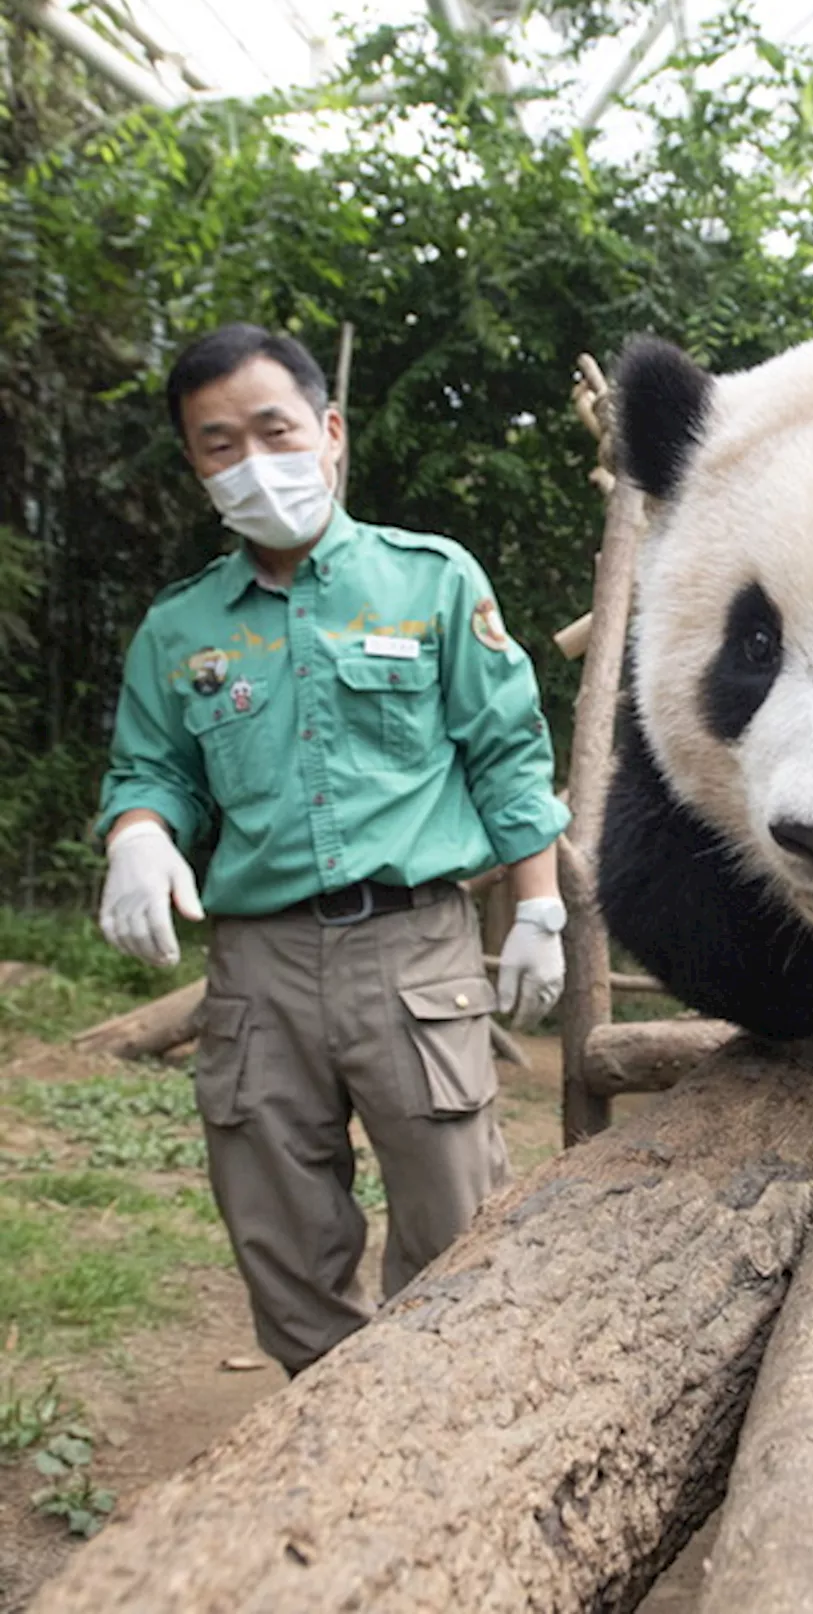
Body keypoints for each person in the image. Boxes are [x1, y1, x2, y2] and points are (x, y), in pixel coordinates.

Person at [96, 322, 569, 1376]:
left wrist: (537, 908)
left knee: (458, 1225)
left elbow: (504, 753)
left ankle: (443, 1423)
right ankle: (319, 1432)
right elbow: (152, 770)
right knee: (279, 1234)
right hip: (257, 967)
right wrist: (136, 835)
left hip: (414, 953)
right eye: (220, 443)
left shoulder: (431, 582)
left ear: (330, 431)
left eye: (274, 428)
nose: (254, 461)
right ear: (195, 463)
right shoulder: (181, 629)